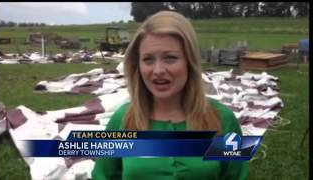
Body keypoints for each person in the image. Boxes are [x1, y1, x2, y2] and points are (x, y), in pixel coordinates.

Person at [92, 10, 248, 180]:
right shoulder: (121, 119)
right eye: (148, 59)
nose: (158, 70)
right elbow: (103, 176)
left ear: (190, 62)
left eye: (170, 58)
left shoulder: (224, 120)